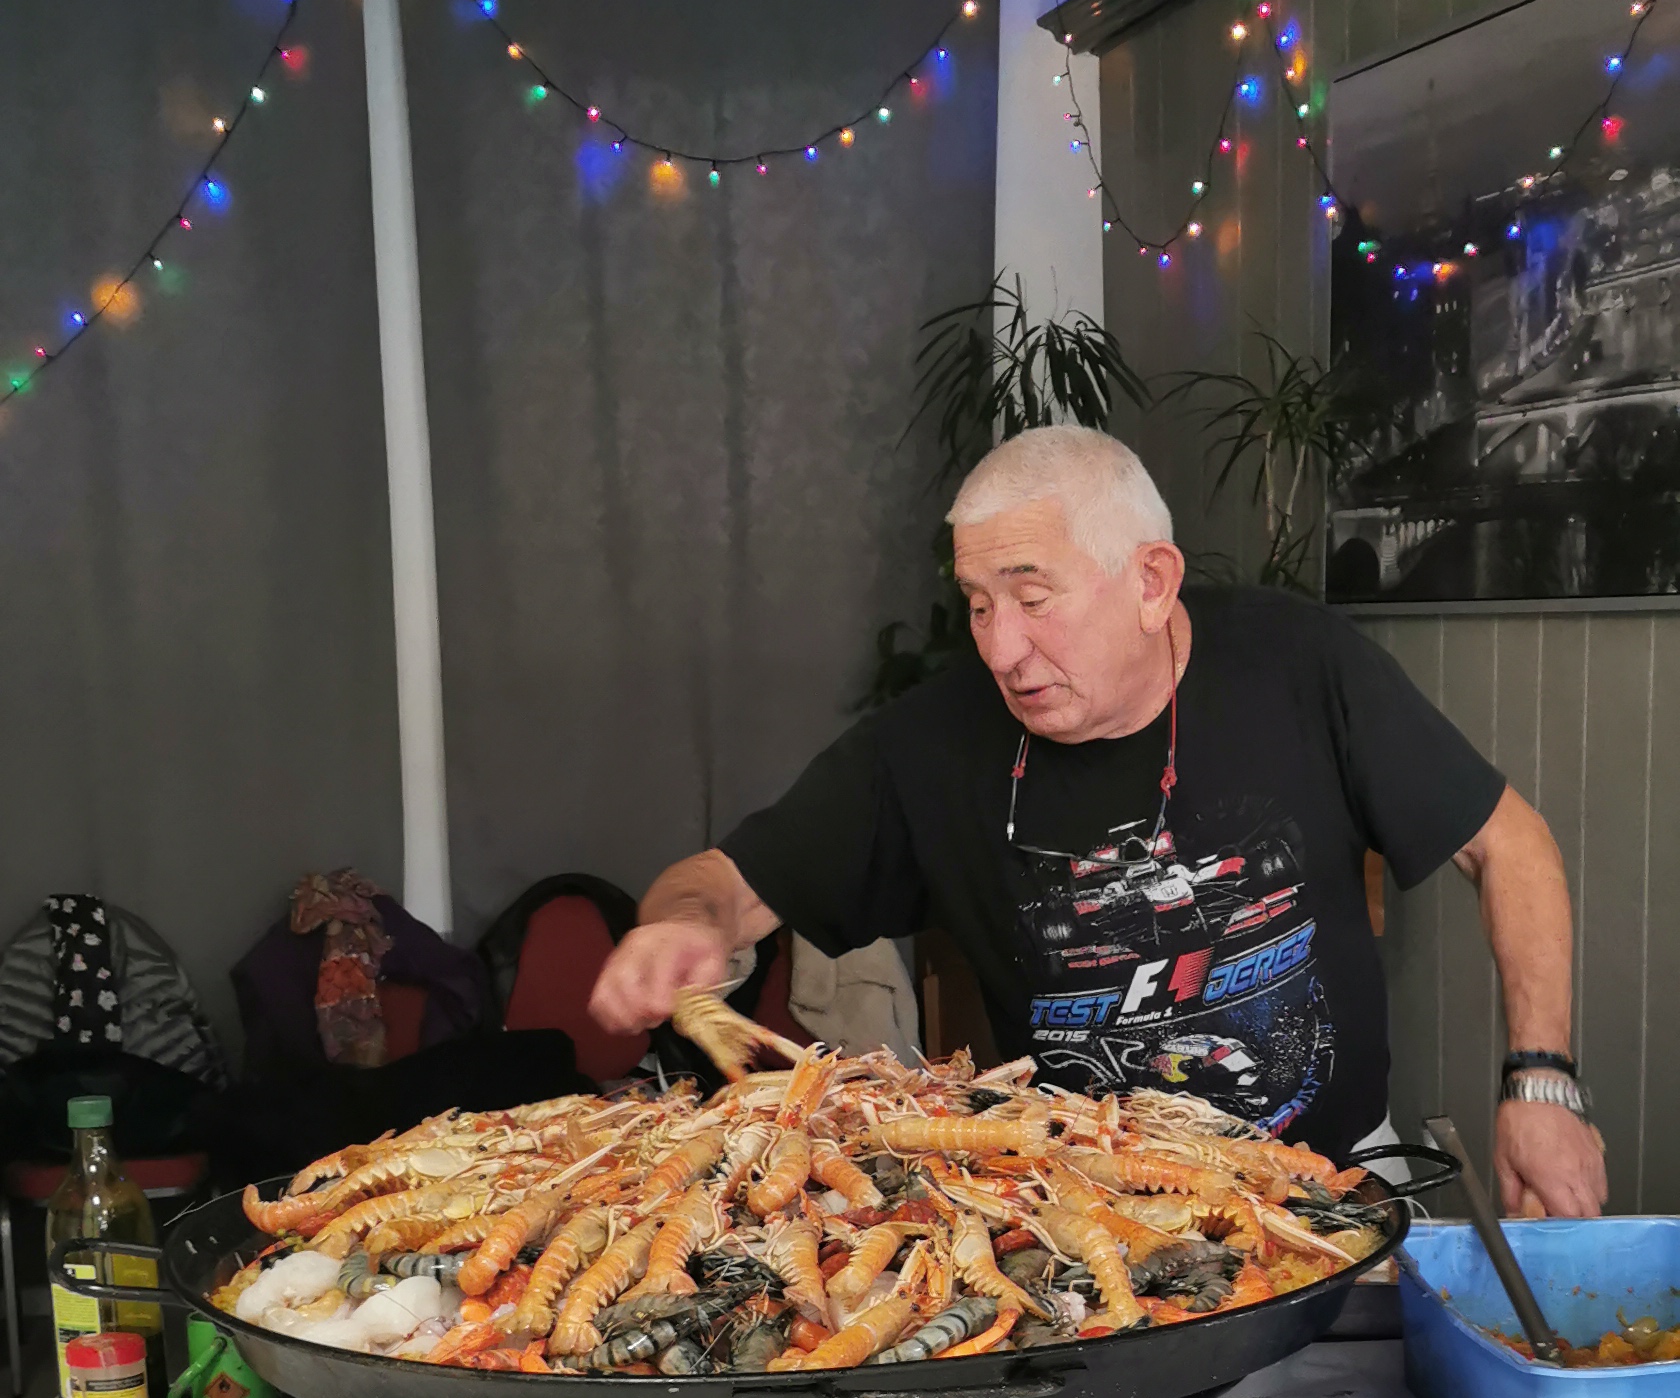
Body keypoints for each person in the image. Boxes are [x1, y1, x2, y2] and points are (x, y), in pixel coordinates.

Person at [593, 426, 1605, 1216]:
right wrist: (682, 925)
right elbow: (725, 885)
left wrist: (1542, 1085)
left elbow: (1508, 842)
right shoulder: (927, 745)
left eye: (1032, 597)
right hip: (1087, 1217)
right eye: (979, 603)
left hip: (1336, 1184)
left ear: (1150, 583)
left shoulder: (1300, 664)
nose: (1001, 648)